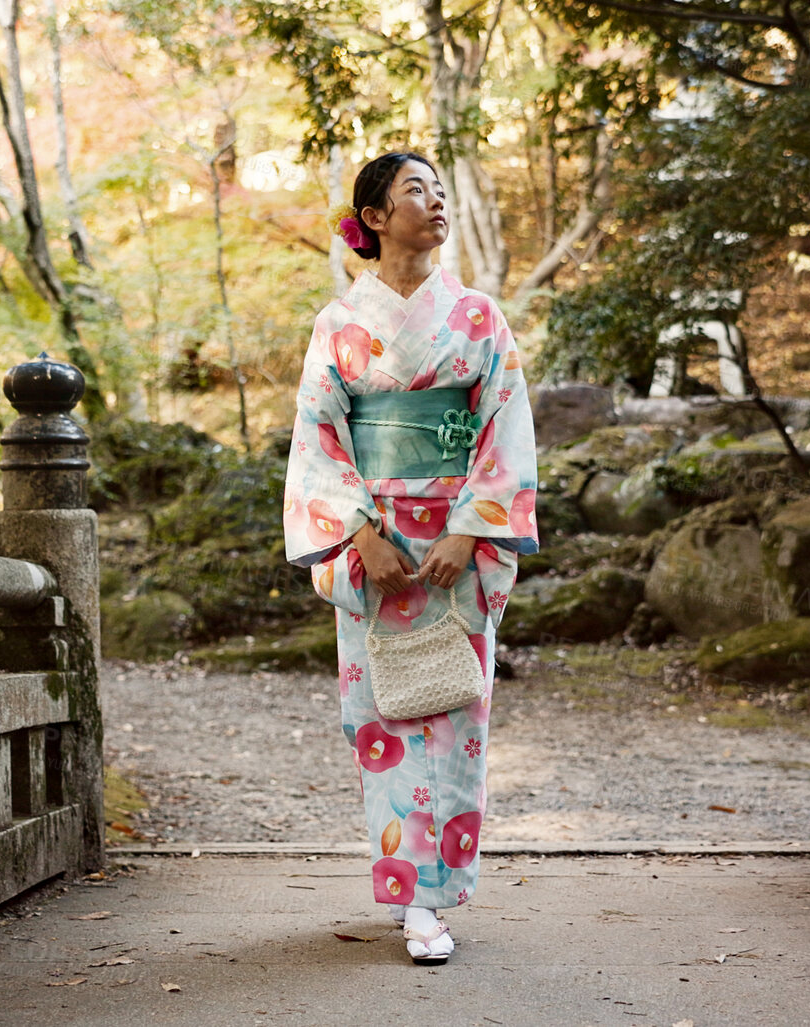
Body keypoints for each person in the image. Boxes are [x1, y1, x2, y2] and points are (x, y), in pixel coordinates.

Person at [281, 152, 539, 966]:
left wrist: (471, 528)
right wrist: (358, 532)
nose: (434, 203)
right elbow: (318, 437)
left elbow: (506, 424)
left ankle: (433, 898)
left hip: (458, 547)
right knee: (383, 720)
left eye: (438, 190)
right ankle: (411, 888)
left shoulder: (477, 316)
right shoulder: (338, 324)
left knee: (457, 717)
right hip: (376, 547)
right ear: (375, 217)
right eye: (413, 192)